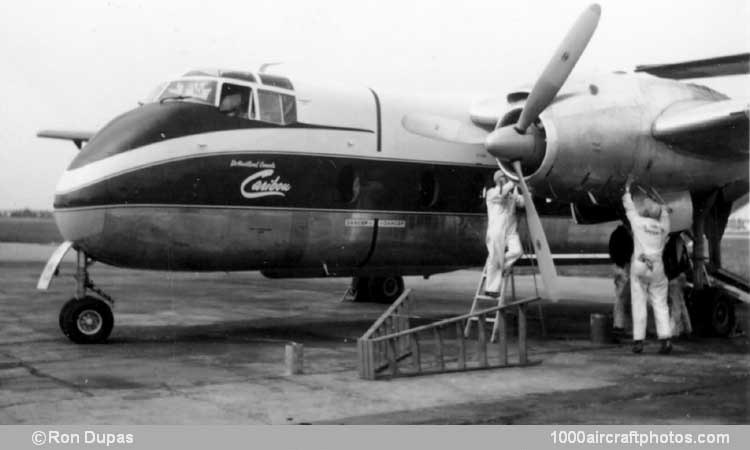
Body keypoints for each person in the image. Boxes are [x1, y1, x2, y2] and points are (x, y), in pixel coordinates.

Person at [623, 177, 672, 354]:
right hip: (656, 267)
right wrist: (664, 209)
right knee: (660, 302)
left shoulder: (638, 223)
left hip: (640, 264)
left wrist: (627, 190)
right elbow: (666, 218)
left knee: (639, 301)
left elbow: (629, 208)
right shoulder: (661, 228)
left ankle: (638, 342)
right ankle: (665, 339)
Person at [484, 170, 524, 298]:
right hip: (496, 232)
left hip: (511, 232)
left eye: (505, 177)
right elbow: (501, 193)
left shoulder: (511, 195)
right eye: (501, 177)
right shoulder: (492, 193)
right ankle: (491, 289)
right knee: (495, 258)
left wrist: (528, 190)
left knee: (517, 251)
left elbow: (522, 202)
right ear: (496, 180)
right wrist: (514, 181)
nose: (503, 179)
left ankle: (500, 267)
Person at [664, 233, 693, 337]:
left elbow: (666, 262)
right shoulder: (681, 243)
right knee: (681, 303)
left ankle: (670, 332)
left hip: (673, 278)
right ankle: (687, 328)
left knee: (675, 305)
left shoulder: (669, 245)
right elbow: (686, 262)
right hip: (681, 277)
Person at [608, 224, 633, 340]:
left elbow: (611, 250)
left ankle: (618, 324)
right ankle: (621, 326)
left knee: (619, 297)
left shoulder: (614, 234)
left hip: (616, 266)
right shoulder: (627, 236)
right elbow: (629, 252)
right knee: (624, 298)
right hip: (624, 267)